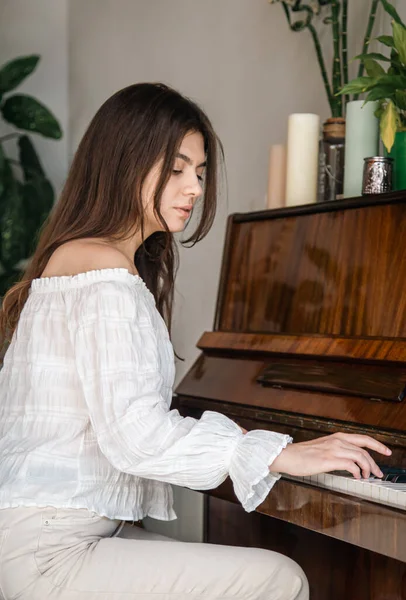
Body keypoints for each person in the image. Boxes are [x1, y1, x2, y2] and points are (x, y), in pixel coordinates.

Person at [0, 83, 390, 600]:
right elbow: (137, 436)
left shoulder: (81, 259)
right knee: (280, 578)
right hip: (50, 553)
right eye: (178, 168)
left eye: (201, 173)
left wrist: (264, 448)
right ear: (125, 162)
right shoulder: (102, 271)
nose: (196, 189)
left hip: (45, 536)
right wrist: (281, 452)